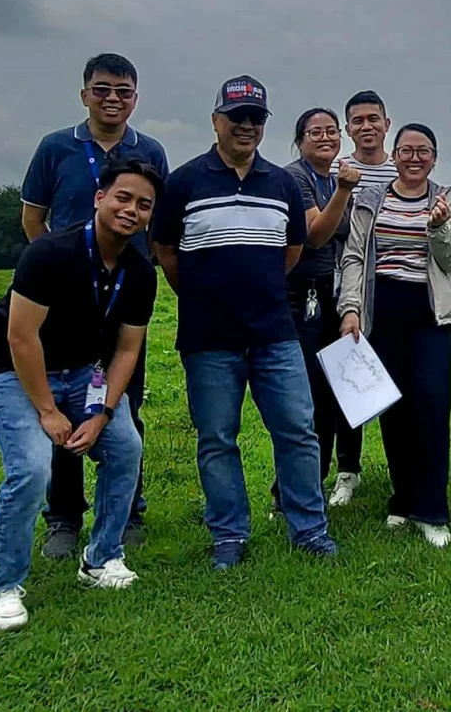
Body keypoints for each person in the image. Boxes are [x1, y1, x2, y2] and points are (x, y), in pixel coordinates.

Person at [0, 158, 163, 630]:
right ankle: (0, 587)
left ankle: (101, 559)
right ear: (99, 198)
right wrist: (48, 411)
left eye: (143, 205)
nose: (131, 210)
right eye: (122, 197)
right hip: (10, 369)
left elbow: (126, 349)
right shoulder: (50, 253)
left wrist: (103, 413)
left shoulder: (140, 272)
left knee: (125, 447)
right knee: (32, 468)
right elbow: (20, 337)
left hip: (82, 372)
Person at [152, 75, 335, 570]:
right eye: (237, 118)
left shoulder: (281, 183)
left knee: (298, 430)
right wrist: (199, 292)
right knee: (217, 438)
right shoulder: (185, 182)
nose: (247, 126)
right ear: (216, 121)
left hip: (275, 332)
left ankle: (309, 529)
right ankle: (229, 534)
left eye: (256, 118)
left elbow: (292, 251)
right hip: (208, 337)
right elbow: (165, 249)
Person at [20, 53, 168, 559]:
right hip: (65, 302)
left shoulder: (149, 150)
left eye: (123, 90)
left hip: (122, 295)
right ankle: (63, 517)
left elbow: (158, 222)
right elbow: (33, 220)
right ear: (85, 94)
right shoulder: (56, 147)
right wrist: (61, 271)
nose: (113, 98)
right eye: (102, 89)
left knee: (123, 403)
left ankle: (127, 510)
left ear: (135, 98)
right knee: (61, 404)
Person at [338, 124, 451, 548]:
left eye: (423, 151)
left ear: (434, 157)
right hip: (382, 312)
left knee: (431, 407)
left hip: (429, 315)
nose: (415, 158)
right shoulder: (370, 200)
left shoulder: (447, 198)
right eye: (407, 150)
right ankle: (401, 499)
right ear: (395, 155)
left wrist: (438, 228)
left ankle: (432, 510)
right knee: (390, 409)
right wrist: (351, 308)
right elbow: (355, 256)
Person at [268, 109, 362, 514]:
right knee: (305, 399)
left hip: (336, 295)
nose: (325, 137)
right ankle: (287, 490)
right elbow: (315, 234)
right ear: (300, 140)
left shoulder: (335, 175)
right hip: (299, 296)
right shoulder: (297, 178)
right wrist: (343, 191)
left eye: (331, 131)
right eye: (315, 132)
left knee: (338, 393)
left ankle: (327, 478)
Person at [323, 90, 398, 506]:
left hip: (391, 293)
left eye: (374, 119)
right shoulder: (336, 171)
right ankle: (347, 471)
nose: (366, 126)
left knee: (391, 379)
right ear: (347, 129)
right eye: (357, 120)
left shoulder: (401, 167)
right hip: (344, 290)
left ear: (387, 123)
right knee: (349, 383)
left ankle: (398, 467)